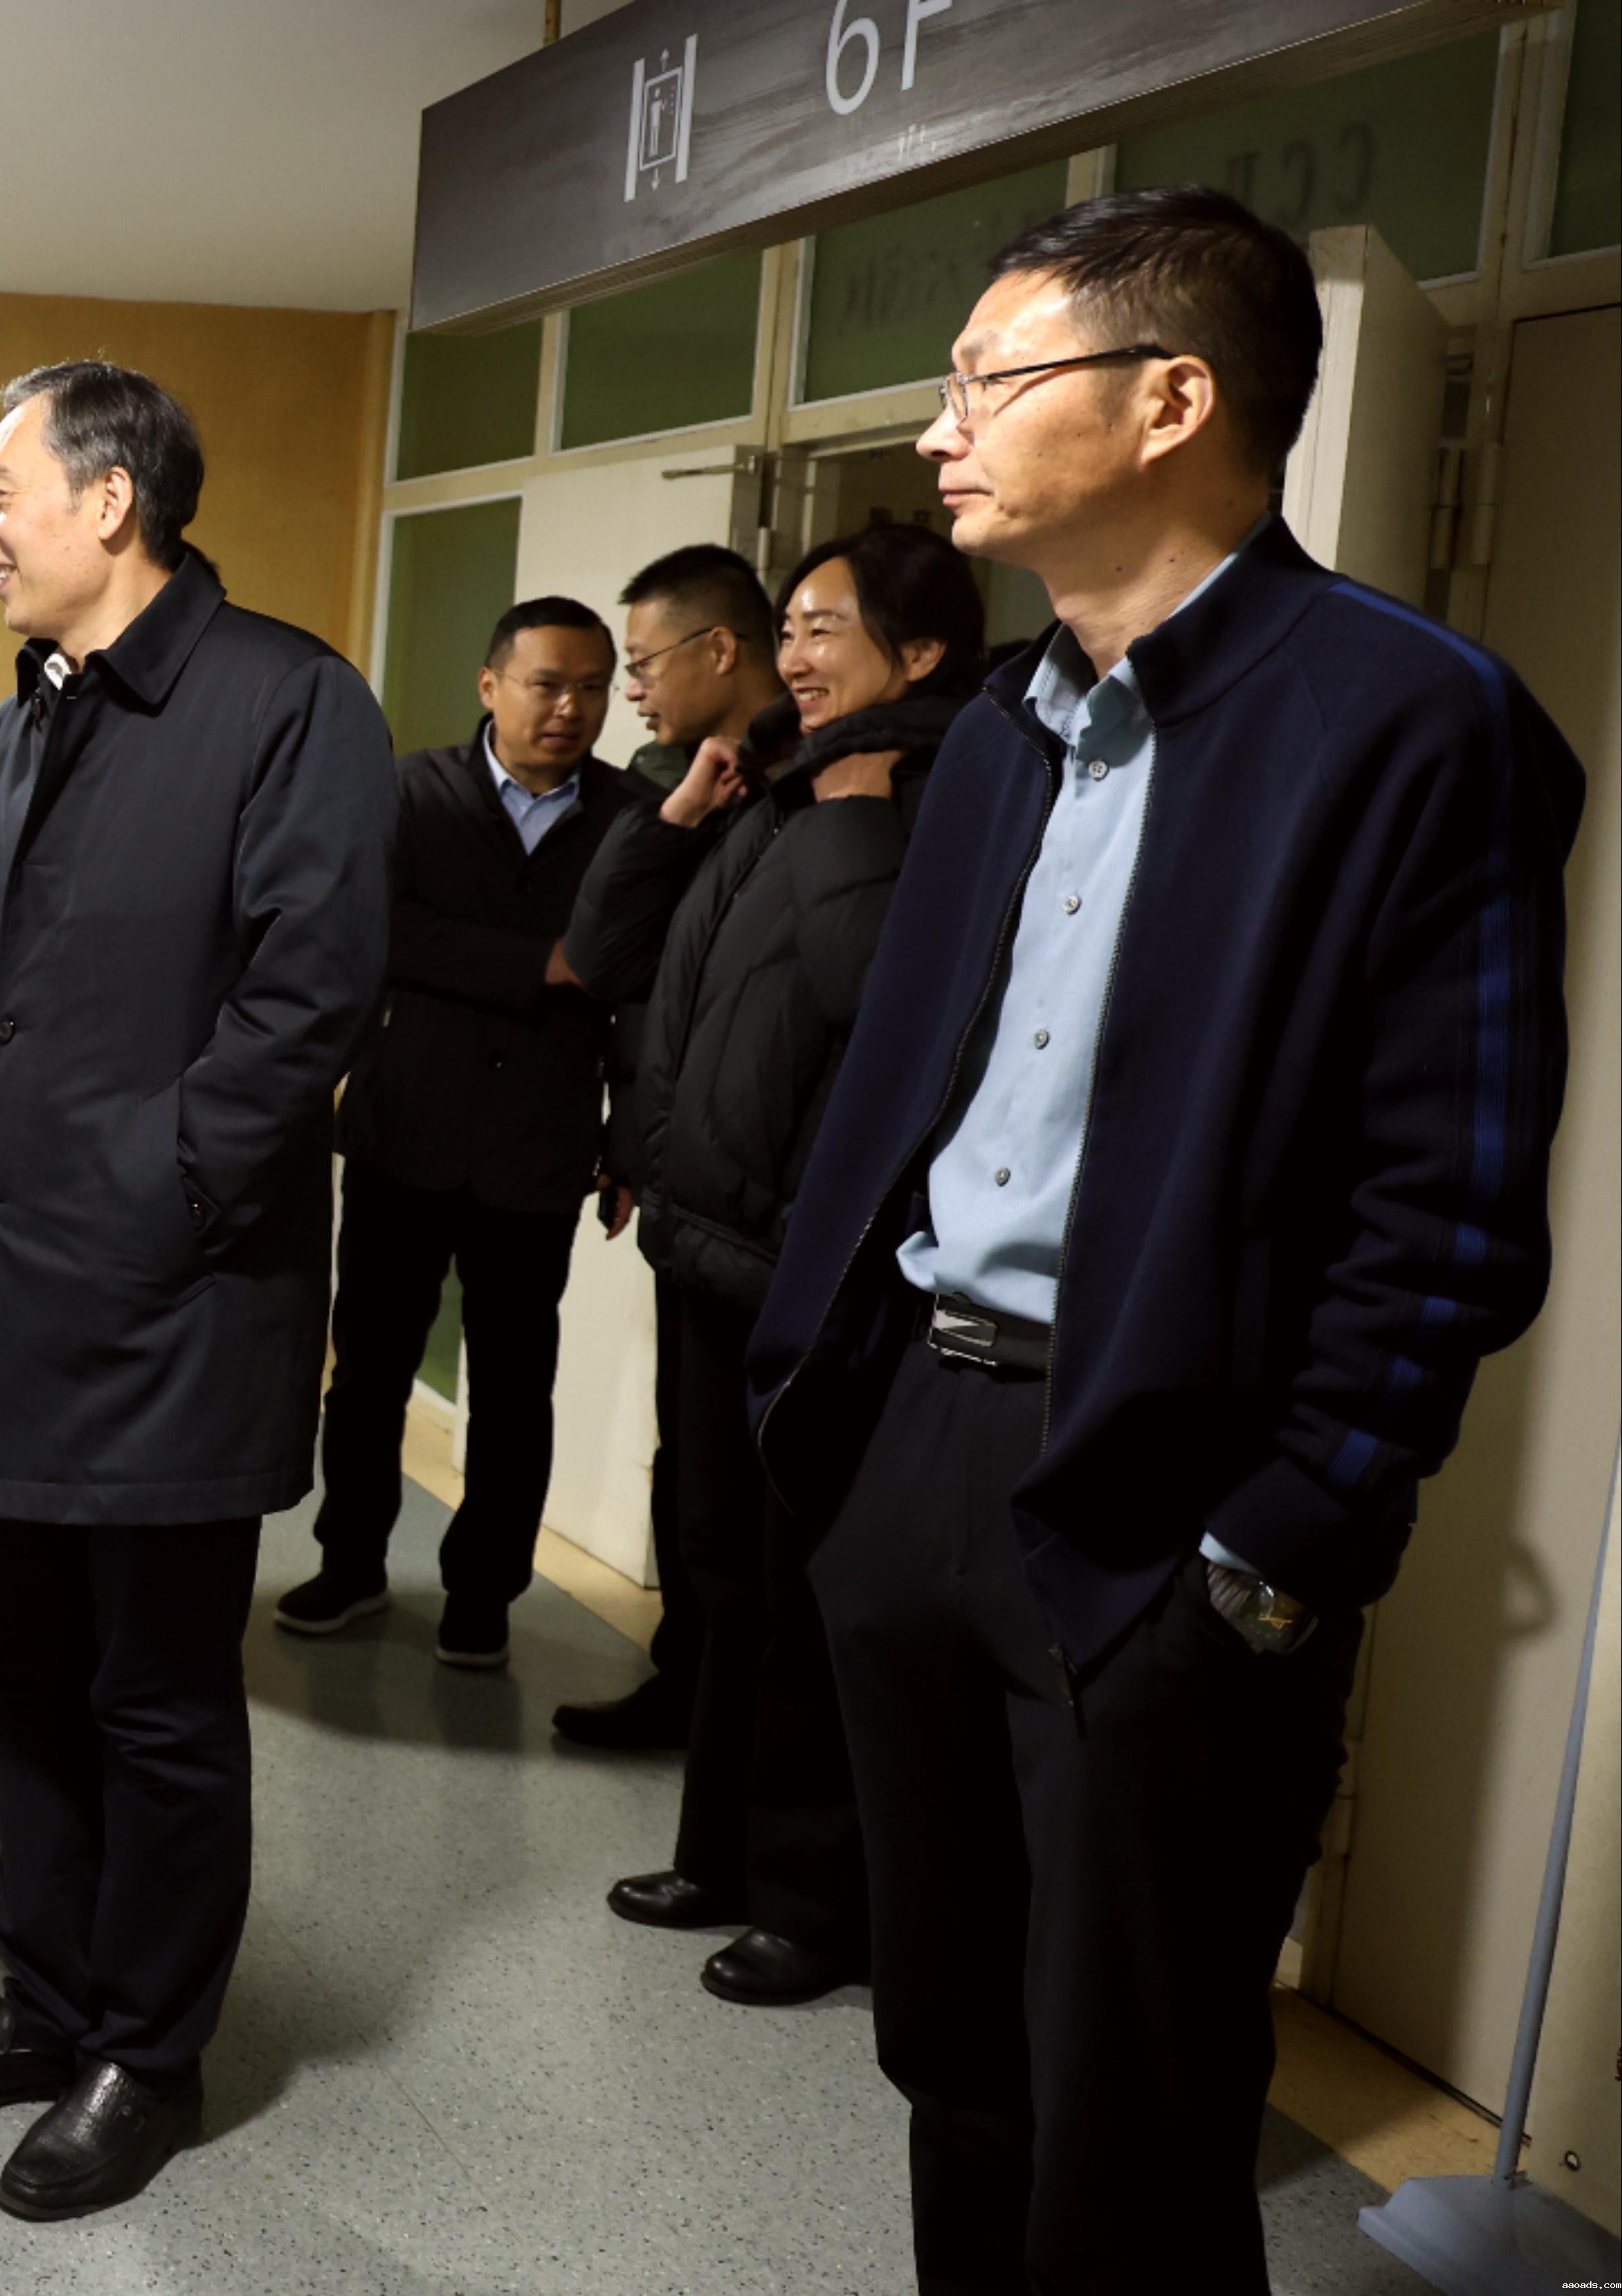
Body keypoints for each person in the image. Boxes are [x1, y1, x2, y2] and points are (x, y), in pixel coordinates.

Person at [755, 189, 1584, 2290]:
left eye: (988, 378)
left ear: (1172, 401)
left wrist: (1284, 1535)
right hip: (914, 1451)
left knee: (1133, 2108)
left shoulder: (1411, 721)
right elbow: (912, 1100)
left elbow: (1453, 1198)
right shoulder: (994, 737)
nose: (940, 429)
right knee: (951, 2050)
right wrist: (825, 1409)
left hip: (1164, 1497)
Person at [0, 362, 392, 2222]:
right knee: (21, 1665)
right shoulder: (28, 720)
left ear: (110, 502)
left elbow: (312, 995)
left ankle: (146, 2055)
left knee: (155, 1697)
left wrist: (161, 1188)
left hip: (178, 1295)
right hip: (21, 1282)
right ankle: (48, 1995)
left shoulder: (288, 701)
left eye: (1, 493)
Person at [581, 521, 987, 2011]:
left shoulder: (930, 790)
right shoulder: (781, 777)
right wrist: (687, 809)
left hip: (814, 1270)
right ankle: (722, 1853)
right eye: (793, 628)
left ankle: (814, 1901)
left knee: (806, 1593)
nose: (797, 654)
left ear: (921, 653)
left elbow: (879, 1003)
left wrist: (854, 814)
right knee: (723, 1576)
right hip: (710, 1241)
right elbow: (610, 951)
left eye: (828, 629)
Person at [277, 596, 632, 1668]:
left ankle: (484, 1594)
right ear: (491, 686)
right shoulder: (406, 792)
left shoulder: (630, 816)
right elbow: (376, 931)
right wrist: (543, 963)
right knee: (370, 1370)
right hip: (407, 1129)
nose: (569, 709)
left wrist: (631, 1139)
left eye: (592, 689)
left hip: (541, 1144)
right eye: (546, 685)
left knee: (517, 1388)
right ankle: (350, 1564)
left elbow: (641, 980)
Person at [552, 542, 788, 1750]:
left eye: (642, 664)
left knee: (745, 1489)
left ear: (721, 649)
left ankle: (737, 1725)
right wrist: (678, 813)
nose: (631, 690)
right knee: (688, 1471)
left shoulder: (815, 797)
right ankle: (684, 1684)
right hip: (683, 1186)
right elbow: (599, 960)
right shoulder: (682, 789)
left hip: (766, 1205)